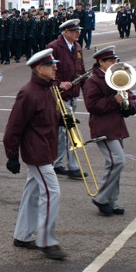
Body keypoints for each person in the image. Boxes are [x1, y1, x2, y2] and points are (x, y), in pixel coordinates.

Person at [3, 48, 67, 261]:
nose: (55, 68)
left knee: (32, 191)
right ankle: (47, 240)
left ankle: (22, 235)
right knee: (52, 192)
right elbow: (14, 126)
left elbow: (46, 117)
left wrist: (62, 120)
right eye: (51, 65)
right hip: (36, 151)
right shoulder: (28, 92)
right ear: (39, 69)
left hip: (45, 148)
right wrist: (11, 155)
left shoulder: (48, 89)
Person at [83, 46, 136, 216]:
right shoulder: (94, 80)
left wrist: (130, 105)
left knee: (115, 164)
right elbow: (91, 106)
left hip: (117, 125)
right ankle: (101, 198)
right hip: (103, 126)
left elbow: (128, 92)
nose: (114, 63)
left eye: (115, 60)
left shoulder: (115, 75)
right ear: (100, 62)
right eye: (111, 61)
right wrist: (113, 101)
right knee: (117, 161)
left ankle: (112, 201)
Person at [48, 19, 87, 180]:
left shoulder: (77, 47)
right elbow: (46, 70)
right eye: (74, 31)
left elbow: (82, 70)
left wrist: (88, 91)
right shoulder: (54, 47)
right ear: (66, 32)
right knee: (66, 130)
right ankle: (70, 165)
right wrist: (59, 83)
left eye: (78, 30)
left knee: (65, 131)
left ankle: (57, 163)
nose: (78, 33)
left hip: (73, 95)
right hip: (59, 96)